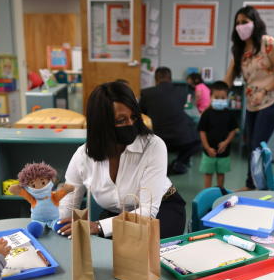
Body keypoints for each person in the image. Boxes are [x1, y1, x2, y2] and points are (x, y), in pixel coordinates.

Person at [57, 81, 186, 239]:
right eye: (121, 120)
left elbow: (148, 210)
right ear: (101, 123)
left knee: (144, 252)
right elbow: (70, 199)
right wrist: (62, 223)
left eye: (133, 117)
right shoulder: (83, 156)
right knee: (103, 251)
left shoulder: (153, 146)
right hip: (117, 215)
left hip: (162, 210)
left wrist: (98, 226)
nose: (131, 124)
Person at [224, 6, 274, 190]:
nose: (240, 26)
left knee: (257, 147)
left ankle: (253, 185)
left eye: (244, 22)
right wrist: (215, 94)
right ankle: (256, 184)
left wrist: (264, 90)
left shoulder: (268, 43)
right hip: (252, 104)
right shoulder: (239, 50)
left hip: (271, 101)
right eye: (237, 23)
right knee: (251, 146)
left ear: (255, 22)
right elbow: (228, 79)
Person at [140, 67, 201, 175]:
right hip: (181, 138)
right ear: (171, 78)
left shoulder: (146, 93)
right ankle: (179, 162)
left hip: (158, 138)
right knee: (197, 141)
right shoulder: (182, 92)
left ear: (156, 79)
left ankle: (159, 166)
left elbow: (142, 114)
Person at [198, 81, 238, 188]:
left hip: (224, 152)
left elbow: (233, 130)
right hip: (208, 152)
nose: (220, 100)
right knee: (208, 174)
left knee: (221, 174)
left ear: (227, 98)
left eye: (223, 98)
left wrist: (226, 142)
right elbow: (202, 131)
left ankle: (220, 193)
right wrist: (207, 148)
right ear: (210, 97)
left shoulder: (230, 114)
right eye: (216, 97)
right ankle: (206, 193)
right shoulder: (206, 114)